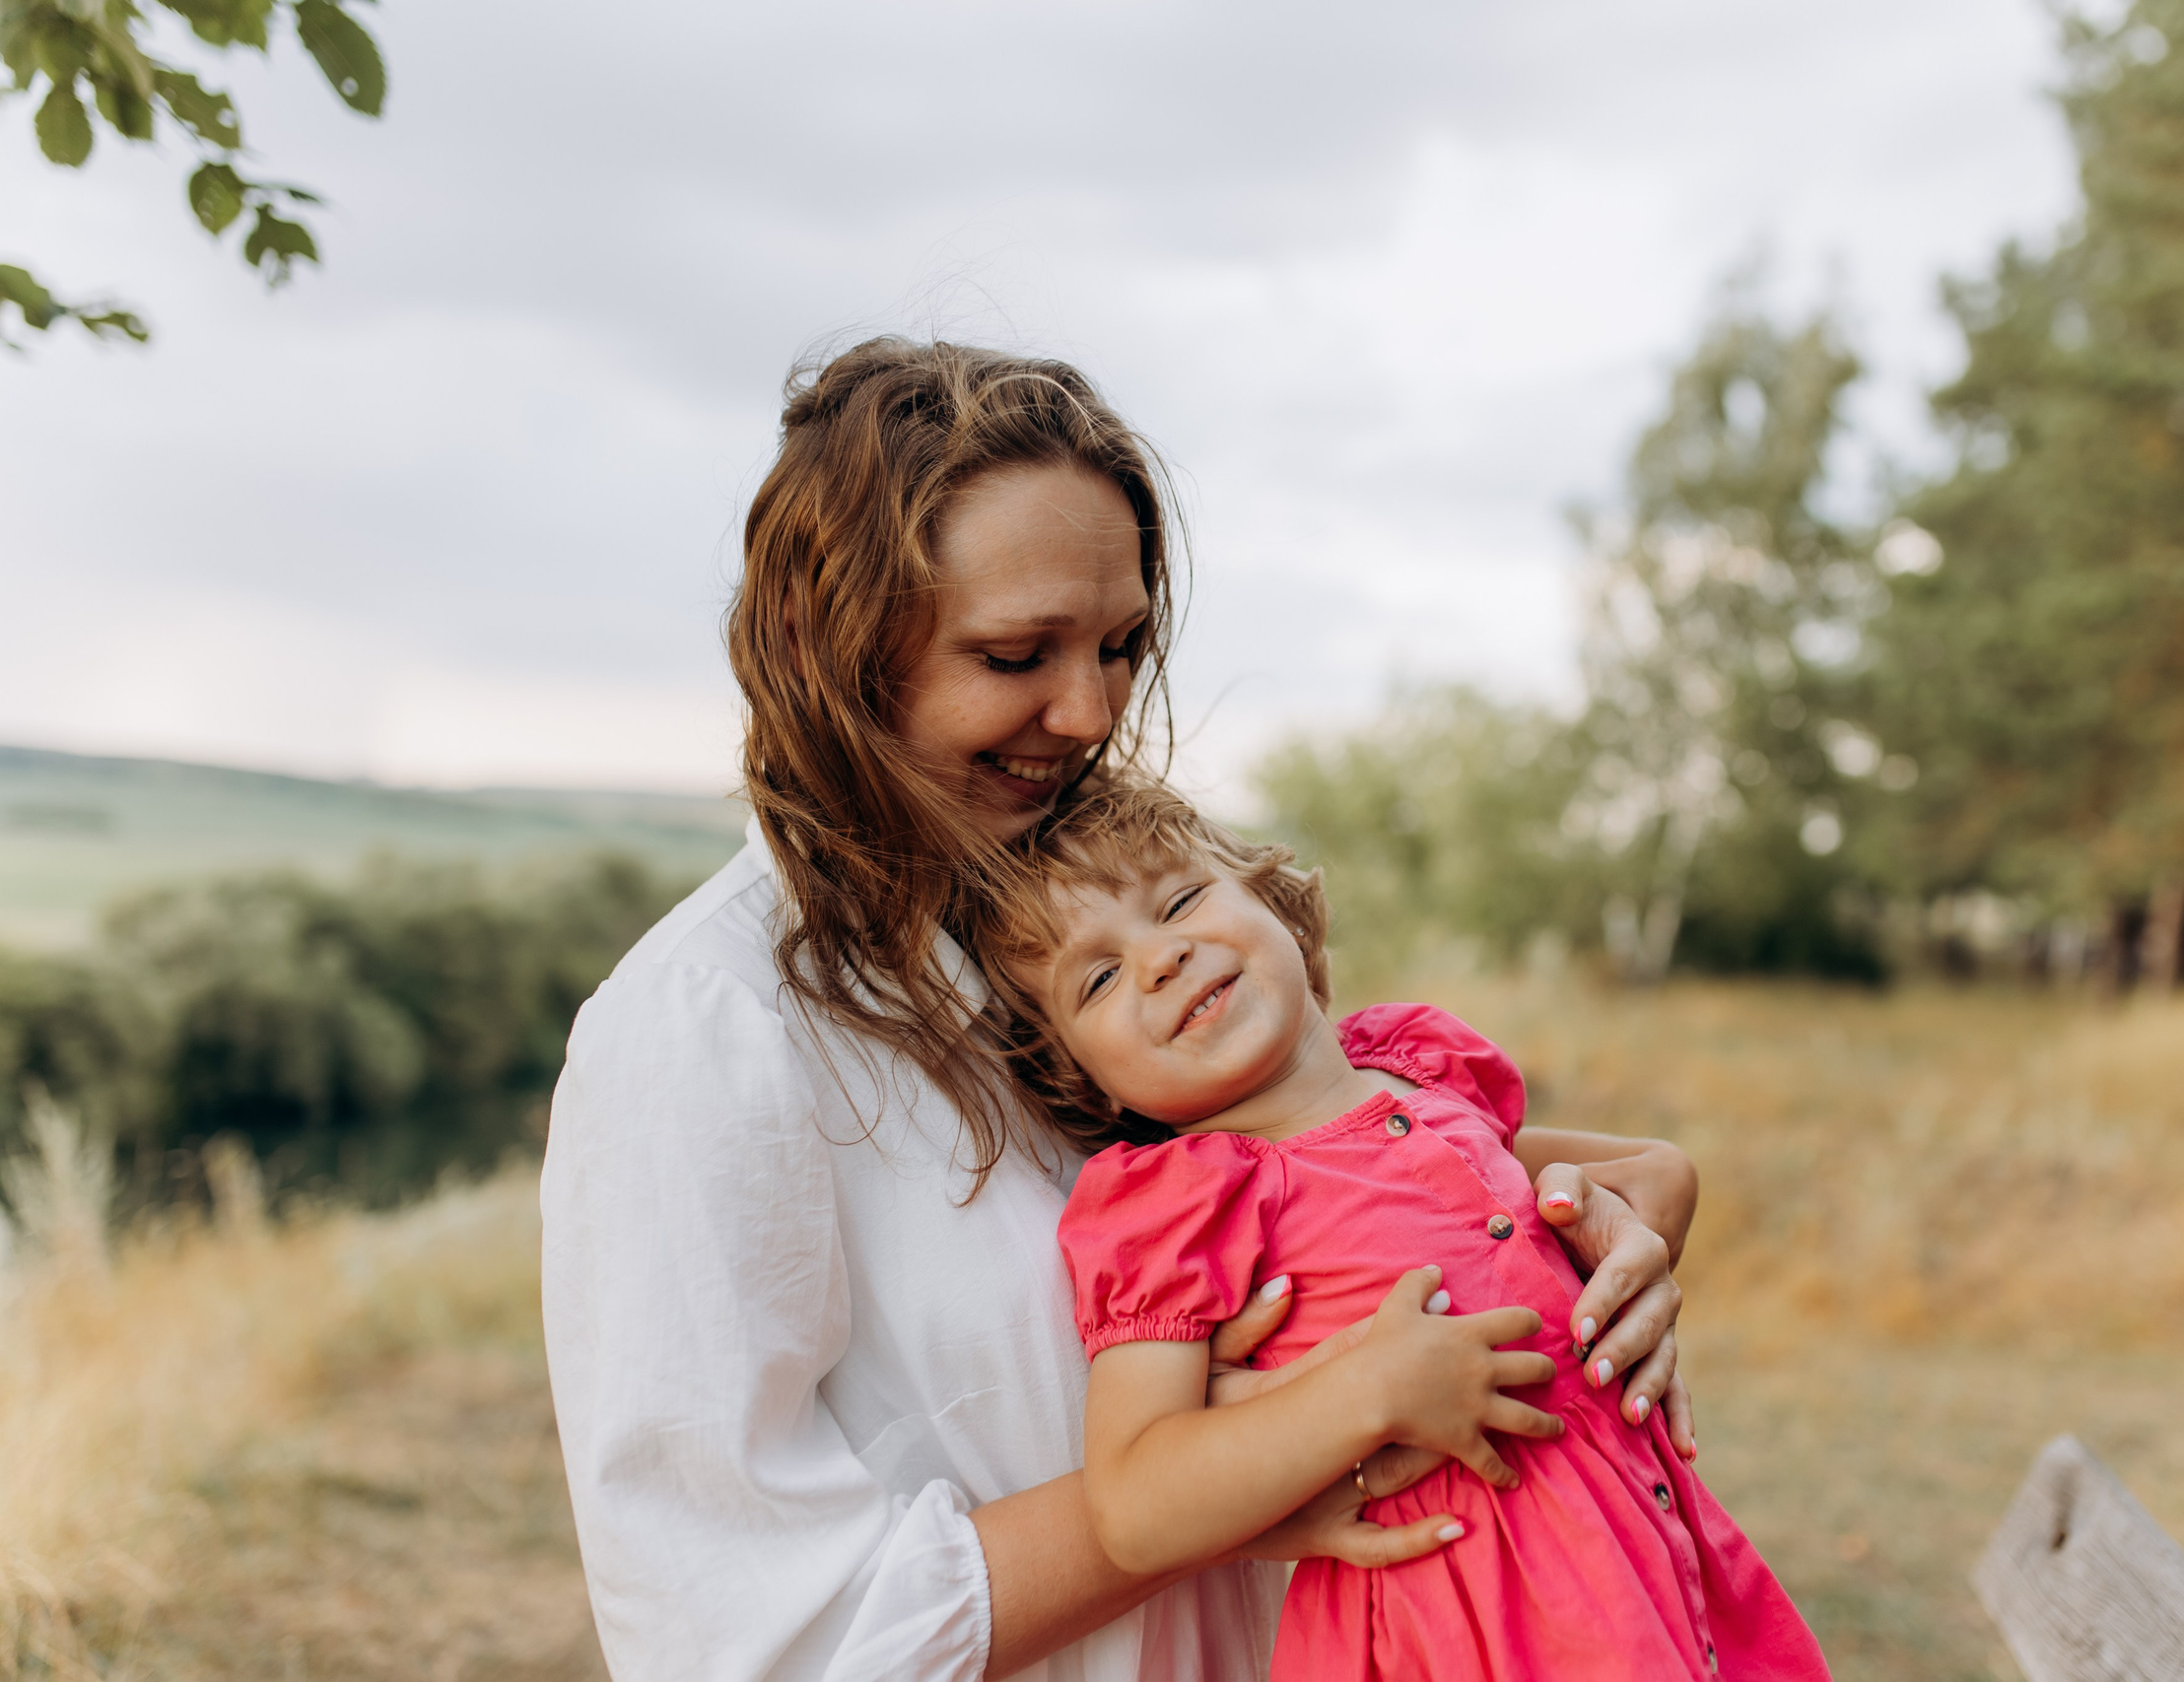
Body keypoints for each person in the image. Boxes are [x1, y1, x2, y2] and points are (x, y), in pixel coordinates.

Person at [539, 338, 1705, 1682]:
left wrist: (1615, 1226)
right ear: (825, 648)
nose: (1090, 709)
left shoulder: (1062, 953)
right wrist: (1260, 1465)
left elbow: (1377, 1174)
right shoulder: (702, 1033)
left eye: (1120, 642)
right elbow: (746, 1635)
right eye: (1017, 650)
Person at [965, 775, 1828, 1682]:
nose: (1161, 958)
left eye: (1179, 899)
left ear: (1276, 903)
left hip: (1649, 1558)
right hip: (1467, 1615)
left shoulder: (1420, 1071)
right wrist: (1367, 1391)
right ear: (1084, 1079)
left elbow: (1639, 1172)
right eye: (1098, 976)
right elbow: (1137, 1503)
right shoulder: (1180, 1200)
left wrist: (1662, 1189)